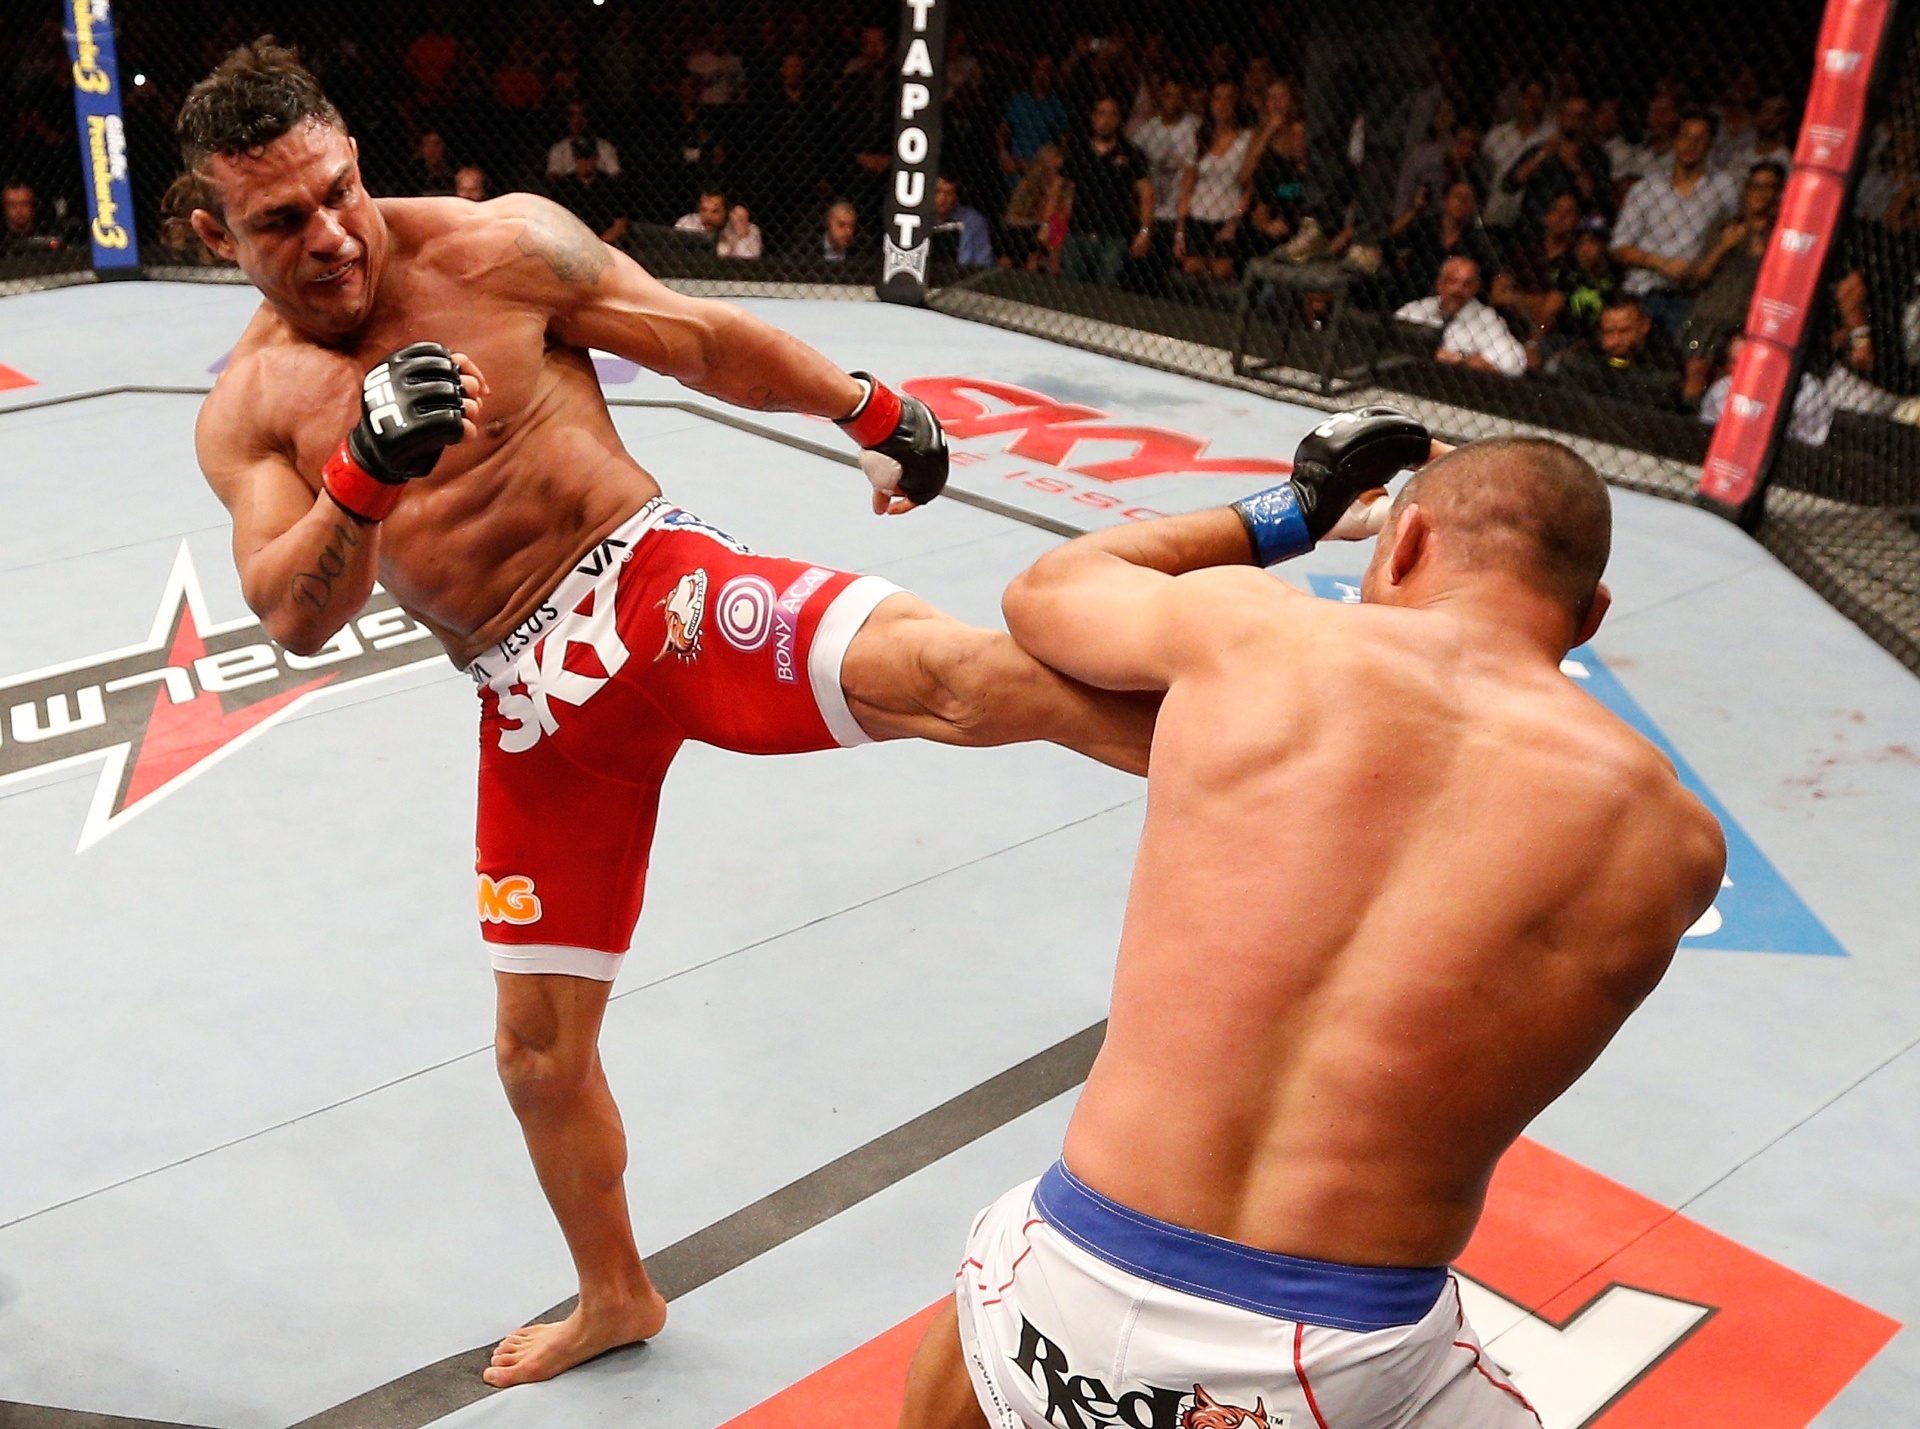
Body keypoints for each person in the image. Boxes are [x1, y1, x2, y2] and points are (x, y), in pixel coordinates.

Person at [176, 39, 1153, 1389]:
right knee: (534, 1055)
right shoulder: (246, 410)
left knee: (948, 679)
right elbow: (293, 611)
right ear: (209, 229)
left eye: (340, 189)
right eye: (283, 222)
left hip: (652, 592)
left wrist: (861, 405)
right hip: (528, 706)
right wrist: (359, 479)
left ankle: (1261, 768)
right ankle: (617, 1293)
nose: (335, 235)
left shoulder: (496, 245)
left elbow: (689, 334)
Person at [897, 417, 1725, 1429]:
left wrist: (1295, 512)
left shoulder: (1258, 634)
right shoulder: (1671, 838)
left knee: (984, 1299)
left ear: (1408, 544)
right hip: (1343, 1363)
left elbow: (1049, 589)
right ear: (1587, 615)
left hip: (1061, 1281)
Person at [1610, 112, 1739, 341]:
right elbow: (1619, 247)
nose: (1691, 145)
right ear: (1675, 140)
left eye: (1700, 139)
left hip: (1692, 295)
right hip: (1643, 290)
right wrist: (1662, 263)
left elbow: (1735, 230)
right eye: (1685, 136)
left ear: (1710, 144)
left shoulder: (1723, 187)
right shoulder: (1647, 188)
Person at [1679, 161, 1784, 404]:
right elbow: (1699, 276)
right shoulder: (1725, 227)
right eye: (1755, 186)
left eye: (1768, 187)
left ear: (1778, 193)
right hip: (1711, 316)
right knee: (1698, 371)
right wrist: (1723, 247)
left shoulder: (1780, 235)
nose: (1760, 193)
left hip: (1749, 321)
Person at [1049, 96, 1153, 288]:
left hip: (1114, 236)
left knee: (1107, 291)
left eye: (1112, 115)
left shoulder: (1130, 153)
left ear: (1119, 119)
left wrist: (1144, 231)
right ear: (1093, 117)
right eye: (1101, 114)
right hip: (1078, 233)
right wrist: (1047, 226)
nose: (1106, 120)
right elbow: (1060, 192)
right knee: (1070, 290)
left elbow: (1146, 193)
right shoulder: (1079, 151)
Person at [1395, 256, 1529, 377]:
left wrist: (1462, 360)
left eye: (1467, 284)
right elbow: (1389, 337)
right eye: (1452, 281)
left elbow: (1516, 362)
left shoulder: (1486, 319)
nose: (1458, 290)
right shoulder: (1417, 308)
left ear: (1476, 288)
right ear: (1439, 283)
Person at [1175, 81, 1254, 281]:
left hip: (1228, 215)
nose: (1223, 104)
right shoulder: (1200, 138)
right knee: (1192, 271)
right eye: (1218, 98)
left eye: (1229, 98)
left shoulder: (1245, 139)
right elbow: (1186, 187)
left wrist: (1235, 221)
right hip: (1198, 214)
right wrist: (1180, 232)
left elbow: (1249, 186)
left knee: (1222, 273)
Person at [1549, 297, 1685, 408]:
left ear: (1644, 326)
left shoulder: (1665, 360)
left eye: (1624, 331)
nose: (1615, 340)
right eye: (1608, 332)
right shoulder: (1586, 353)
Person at [549, 137, 631, 247]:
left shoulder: (611, 186)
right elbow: (554, 220)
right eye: (580, 158)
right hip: (571, 242)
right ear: (575, 160)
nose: (585, 163)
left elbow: (620, 224)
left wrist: (597, 245)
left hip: (604, 243)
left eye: (589, 158)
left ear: (596, 159)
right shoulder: (563, 186)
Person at [545, 100, 620, 181]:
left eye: (582, 114)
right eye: (572, 114)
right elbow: (553, 177)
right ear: (567, 119)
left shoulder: (605, 147)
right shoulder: (558, 149)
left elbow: (616, 175)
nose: (578, 119)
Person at [932, 175, 993, 267]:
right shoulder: (913, 216)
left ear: (956, 197)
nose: (942, 199)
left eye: (948, 193)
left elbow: (983, 262)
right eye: (937, 191)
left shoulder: (974, 220)